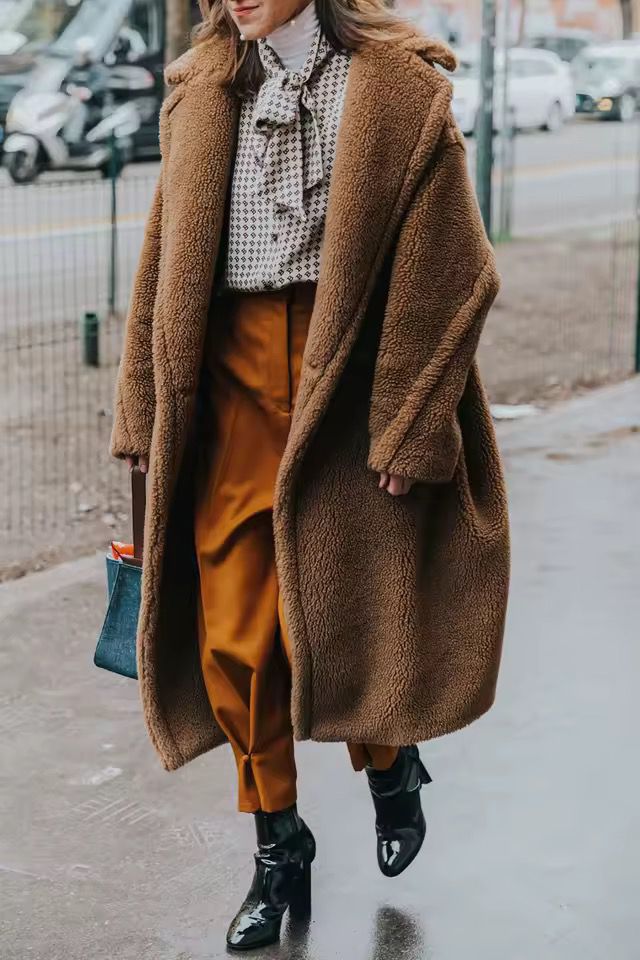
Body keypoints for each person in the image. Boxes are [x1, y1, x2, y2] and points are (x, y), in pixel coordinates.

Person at [110, 0, 510, 950]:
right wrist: (143, 406)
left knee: (347, 607)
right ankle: (277, 844)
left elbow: (450, 270)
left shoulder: (399, 91)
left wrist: (408, 423)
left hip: (351, 384)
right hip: (228, 382)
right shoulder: (203, 88)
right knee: (237, 635)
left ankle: (390, 761)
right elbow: (163, 259)